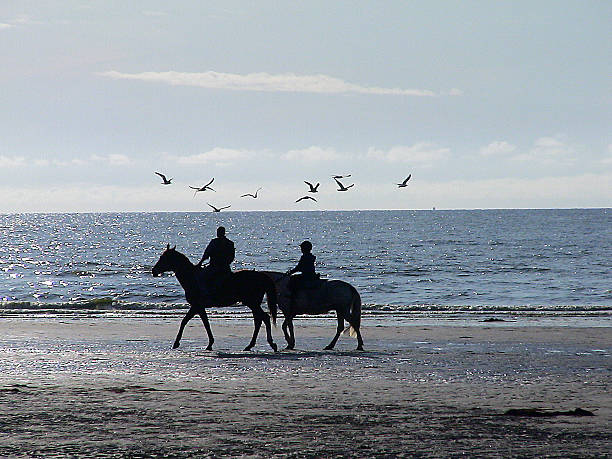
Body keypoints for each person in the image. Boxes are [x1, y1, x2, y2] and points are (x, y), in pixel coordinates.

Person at [197, 226, 235, 294]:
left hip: (214, 267)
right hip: (226, 268)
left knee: (201, 277)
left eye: (218, 232)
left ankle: (205, 294)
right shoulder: (230, 243)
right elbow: (232, 257)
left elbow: (207, 254)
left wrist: (200, 263)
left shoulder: (214, 242)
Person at [287, 240, 318, 307]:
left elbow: (299, 267)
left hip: (307, 276)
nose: (301, 249)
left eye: (302, 248)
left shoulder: (304, 257)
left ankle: (293, 299)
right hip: (311, 275)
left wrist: (291, 272)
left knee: (293, 280)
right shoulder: (310, 256)